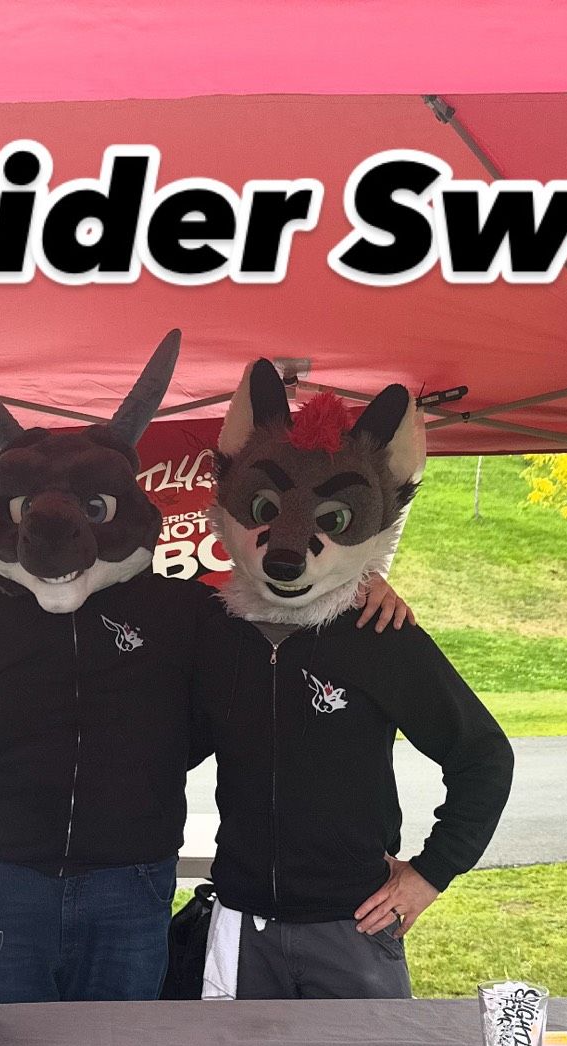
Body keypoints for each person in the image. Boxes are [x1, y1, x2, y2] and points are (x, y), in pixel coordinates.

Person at [0, 331, 410, 1003]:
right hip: (3, 886)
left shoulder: (183, 612)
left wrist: (358, 588)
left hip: (129, 886)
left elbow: (282, 610)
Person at [195, 361, 514, 999]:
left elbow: (483, 755)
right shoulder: (212, 631)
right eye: (264, 509)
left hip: (352, 924)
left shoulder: (377, 634)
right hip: (242, 919)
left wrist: (430, 874)